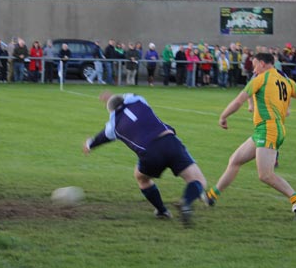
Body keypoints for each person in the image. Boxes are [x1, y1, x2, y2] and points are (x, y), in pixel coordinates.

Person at [205, 52, 296, 221]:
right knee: (235, 160)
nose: (254, 69)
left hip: (268, 129)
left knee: (265, 175)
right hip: (266, 129)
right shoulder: (286, 81)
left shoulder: (261, 79)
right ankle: (212, 195)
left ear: (263, 64)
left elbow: (238, 101)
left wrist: (223, 116)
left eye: (255, 65)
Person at [83, 91, 207, 226]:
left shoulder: (113, 126)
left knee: (141, 178)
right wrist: (112, 97)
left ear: (111, 111)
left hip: (150, 154)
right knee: (198, 180)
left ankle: (162, 211)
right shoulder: (137, 100)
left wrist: (89, 144)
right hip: (169, 141)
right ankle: (186, 202)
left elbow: (101, 137)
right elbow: (126, 96)